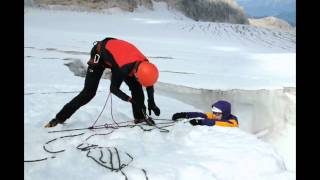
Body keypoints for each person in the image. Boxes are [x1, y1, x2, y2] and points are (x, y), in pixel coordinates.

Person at [45, 37, 160, 128]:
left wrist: (152, 102)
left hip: (116, 53)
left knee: (137, 88)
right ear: (136, 72)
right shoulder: (122, 68)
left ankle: (139, 118)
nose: (140, 80)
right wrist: (130, 100)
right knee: (88, 92)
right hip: (100, 53)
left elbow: (148, 82)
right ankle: (60, 118)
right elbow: (114, 89)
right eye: (139, 78)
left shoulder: (145, 65)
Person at [171, 100, 239, 127]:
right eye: (214, 112)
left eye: (217, 113)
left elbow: (215, 123)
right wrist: (185, 114)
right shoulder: (215, 116)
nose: (215, 115)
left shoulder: (232, 122)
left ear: (224, 113)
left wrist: (200, 122)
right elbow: (201, 115)